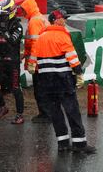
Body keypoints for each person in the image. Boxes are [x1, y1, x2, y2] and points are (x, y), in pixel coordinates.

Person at [28, 9, 96, 154]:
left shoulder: (40, 38)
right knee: (72, 111)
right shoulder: (63, 36)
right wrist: (78, 74)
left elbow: (32, 64)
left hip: (46, 82)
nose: (64, 21)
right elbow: (72, 58)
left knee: (55, 113)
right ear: (55, 21)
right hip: (63, 80)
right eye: (62, 19)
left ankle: (63, 143)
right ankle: (79, 144)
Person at [0, 0, 24, 124]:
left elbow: (13, 41)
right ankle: (3, 107)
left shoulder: (17, 26)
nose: (0, 17)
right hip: (0, 60)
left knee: (15, 88)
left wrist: (4, 32)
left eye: (2, 15)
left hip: (13, 62)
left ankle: (20, 115)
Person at [20, 0, 50, 123]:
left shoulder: (34, 21)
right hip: (45, 59)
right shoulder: (40, 18)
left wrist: (32, 62)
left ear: (28, 8)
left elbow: (35, 43)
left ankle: (45, 114)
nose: (22, 12)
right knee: (44, 88)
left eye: (23, 10)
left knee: (40, 89)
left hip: (39, 62)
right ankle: (46, 113)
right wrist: (25, 54)